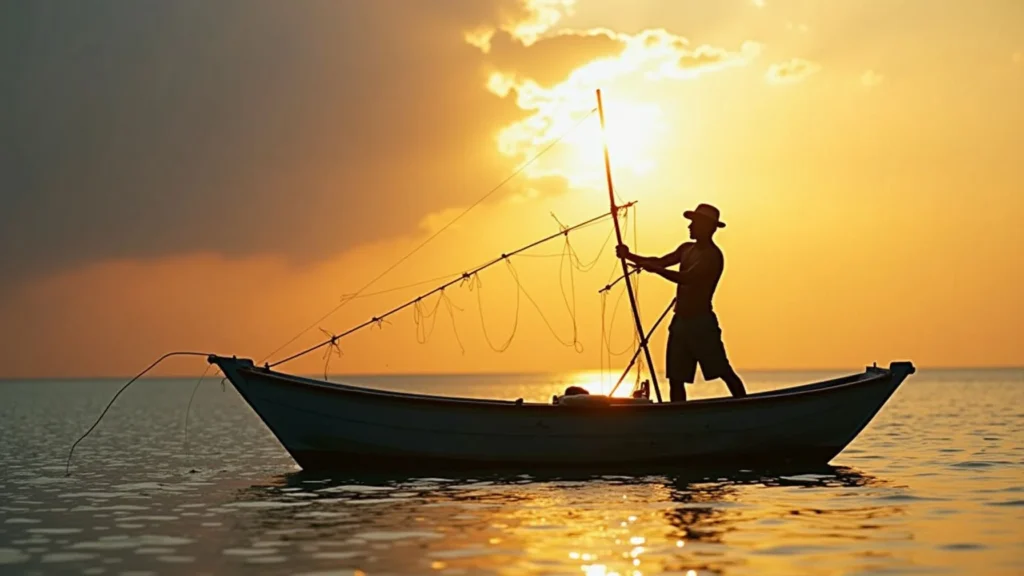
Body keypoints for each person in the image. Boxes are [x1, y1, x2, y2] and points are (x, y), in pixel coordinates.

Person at [616, 203, 747, 402]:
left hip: (702, 323)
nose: (690, 227)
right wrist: (630, 255)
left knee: (723, 370)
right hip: (680, 323)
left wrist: (655, 270)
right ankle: (678, 415)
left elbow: (687, 277)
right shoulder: (686, 249)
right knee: (676, 378)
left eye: (694, 223)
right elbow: (660, 260)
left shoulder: (712, 255)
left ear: (708, 227)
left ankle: (744, 406)